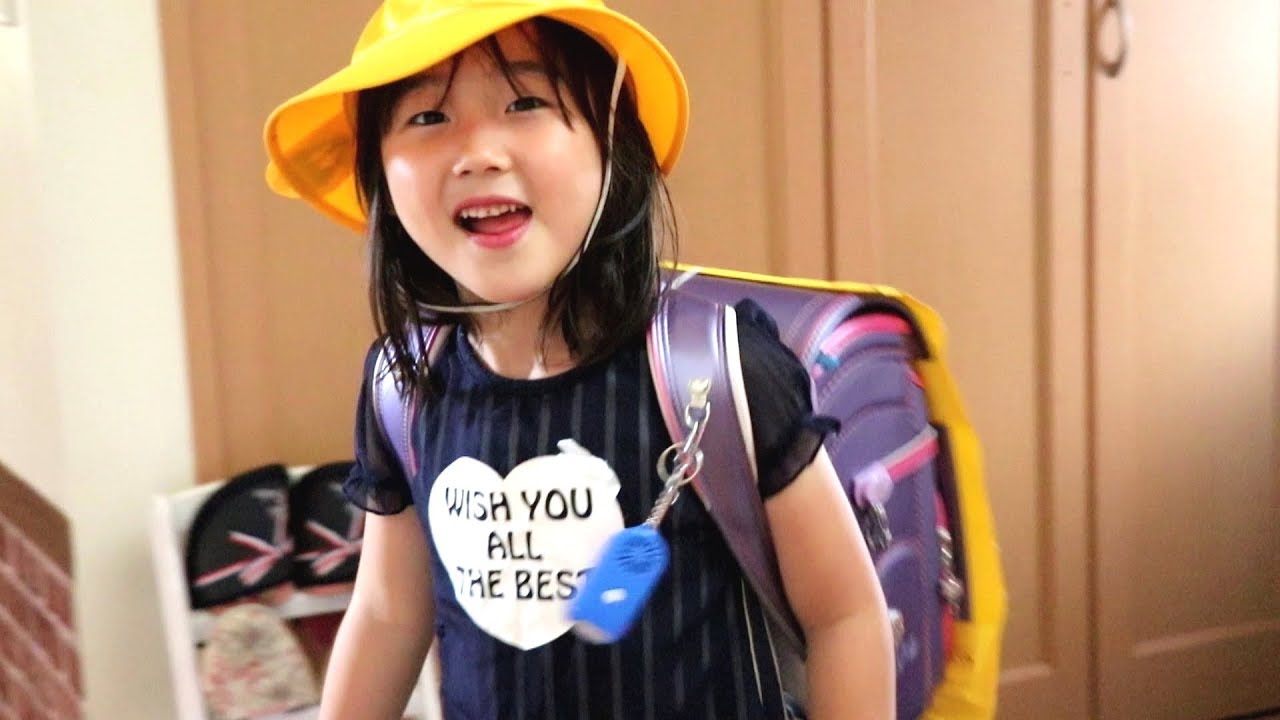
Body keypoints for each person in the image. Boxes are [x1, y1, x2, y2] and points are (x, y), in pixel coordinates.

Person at [263, 2, 894, 718]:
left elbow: (844, 615)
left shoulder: (716, 371)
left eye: (526, 102)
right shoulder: (402, 387)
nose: (479, 153)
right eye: (428, 117)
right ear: (379, 170)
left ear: (611, 139)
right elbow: (387, 614)